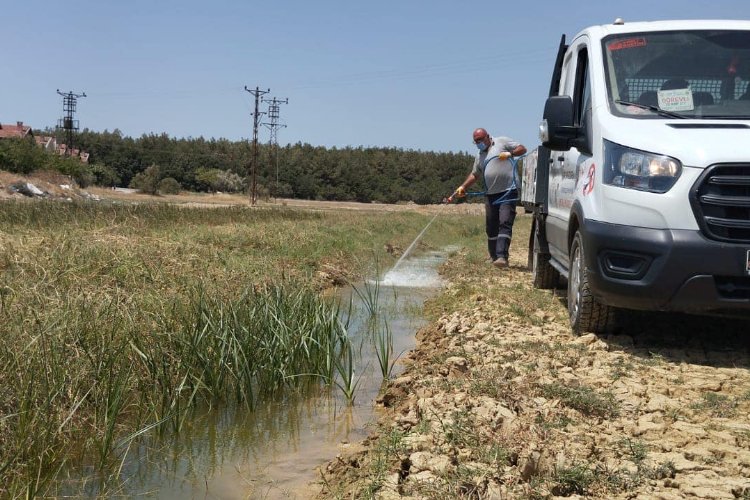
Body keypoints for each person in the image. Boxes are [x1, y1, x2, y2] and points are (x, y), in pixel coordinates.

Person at [448, 128, 526, 268]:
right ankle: (493, 256)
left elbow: (522, 149)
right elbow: (475, 174)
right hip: (491, 193)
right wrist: (463, 187)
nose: (479, 143)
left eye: (480, 140)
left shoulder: (502, 142)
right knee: (491, 226)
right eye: (476, 141)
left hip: (508, 190)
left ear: (487, 137)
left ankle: (502, 256)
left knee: (505, 221)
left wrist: (509, 153)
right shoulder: (480, 155)